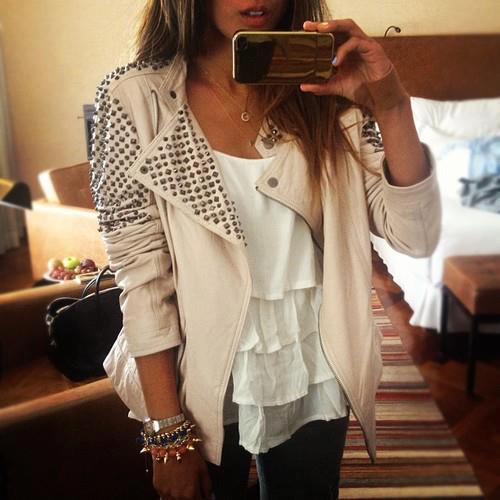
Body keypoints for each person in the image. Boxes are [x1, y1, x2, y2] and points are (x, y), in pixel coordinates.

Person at [89, 1, 441, 499]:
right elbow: (141, 276)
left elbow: (415, 234)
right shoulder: (134, 99)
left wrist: (390, 103)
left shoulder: (325, 91)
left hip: (315, 361)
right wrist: (167, 431)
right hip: (196, 376)